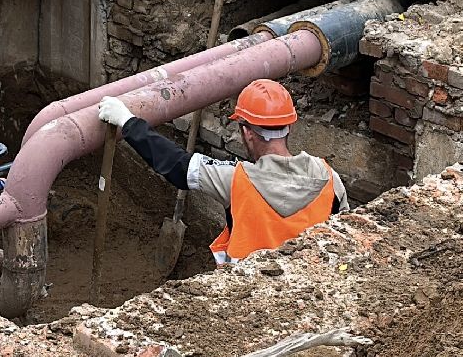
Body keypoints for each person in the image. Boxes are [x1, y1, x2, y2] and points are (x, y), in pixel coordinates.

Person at [97, 79, 348, 264]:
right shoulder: (329, 178)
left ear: (247, 132)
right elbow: (346, 237)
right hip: (309, 299)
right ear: (289, 127)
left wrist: (127, 122)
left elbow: (177, 165)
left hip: (245, 303)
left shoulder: (236, 179)